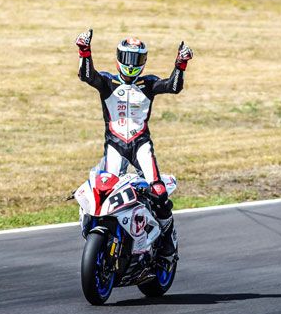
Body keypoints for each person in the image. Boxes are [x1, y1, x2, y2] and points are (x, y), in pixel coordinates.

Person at [76, 29, 193, 260]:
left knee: (158, 190)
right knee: (103, 191)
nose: (131, 64)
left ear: (144, 61)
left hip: (141, 144)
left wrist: (181, 64)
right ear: (118, 58)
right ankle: (104, 233)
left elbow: (173, 86)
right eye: (127, 57)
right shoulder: (108, 82)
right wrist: (84, 51)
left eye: (136, 59)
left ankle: (167, 233)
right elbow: (87, 76)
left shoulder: (148, 83)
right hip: (115, 145)